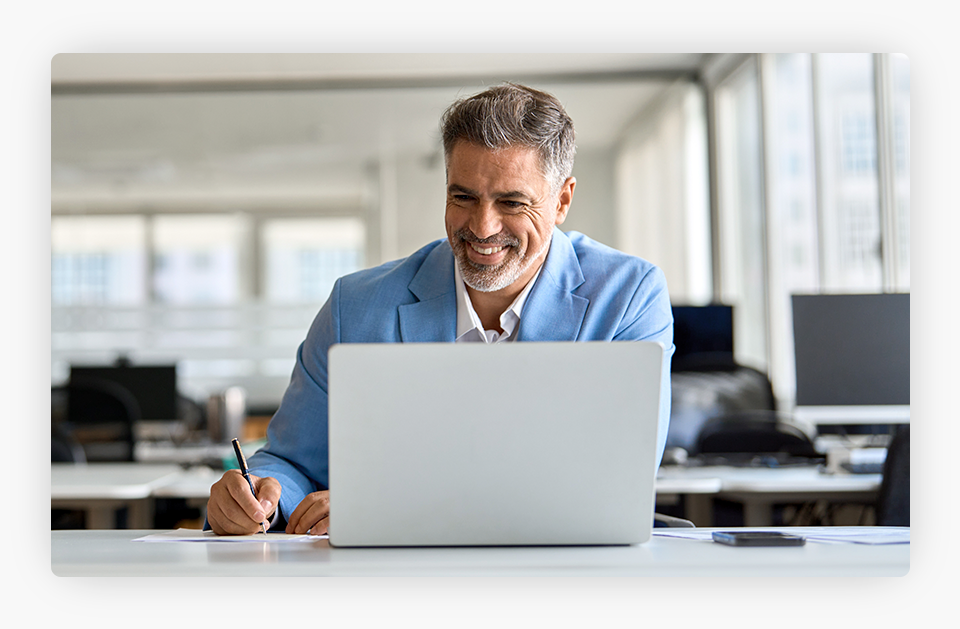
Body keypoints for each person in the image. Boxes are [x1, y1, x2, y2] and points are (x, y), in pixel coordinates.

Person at [206, 83, 675, 535]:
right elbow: (289, 462)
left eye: (511, 202)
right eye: (462, 196)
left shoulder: (629, 296)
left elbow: (617, 473)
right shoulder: (357, 306)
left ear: (562, 200)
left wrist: (384, 506)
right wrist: (258, 496)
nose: (482, 226)